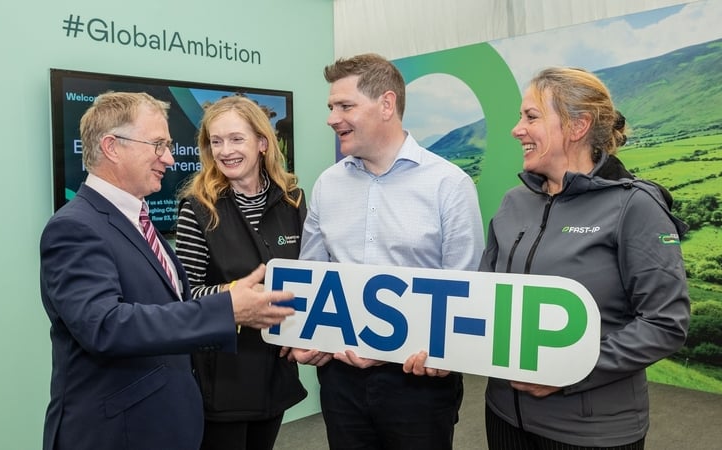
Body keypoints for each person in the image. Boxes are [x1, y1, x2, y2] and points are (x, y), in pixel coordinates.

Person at [39, 91, 295, 450]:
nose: (170, 159)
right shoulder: (75, 227)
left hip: (162, 419)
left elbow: (176, 303)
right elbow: (104, 326)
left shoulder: (137, 221)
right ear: (112, 147)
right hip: (117, 431)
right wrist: (228, 306)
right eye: (159, 145)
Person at [479, 67, 690, 449]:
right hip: (505, 416)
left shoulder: (635, 206)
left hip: (590, 433)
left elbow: (665, 323)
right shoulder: (513, 203)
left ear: (577, 126)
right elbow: (484, 298)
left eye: (531, 117)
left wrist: (569, 371)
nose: (516, 129)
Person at [289, 53, 485, 450]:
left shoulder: (449, 185)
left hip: (417, 383)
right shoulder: (327, 185)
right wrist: (304, 332)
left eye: (345, 106)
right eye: (331, 107)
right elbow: (311, 275)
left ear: (387, 105)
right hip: (340, 381)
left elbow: (467, 292)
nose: (332, 117)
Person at [174, 95, 307, 450]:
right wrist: (235, 296)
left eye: (236, 139)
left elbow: (308, 277)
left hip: (275, 370)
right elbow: (185, 296)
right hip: (223, 376)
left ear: (262, 143)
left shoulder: (292, 200)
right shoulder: (198, 208)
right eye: (215, 141)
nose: (224, 150)